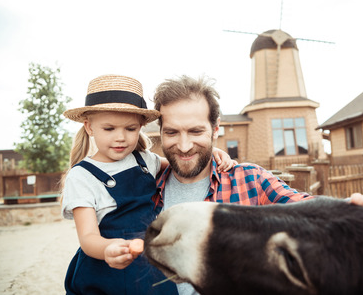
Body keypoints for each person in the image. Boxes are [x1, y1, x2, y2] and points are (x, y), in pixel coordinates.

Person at [152, 75, 363, 295]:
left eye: (196, 131)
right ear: (160, 132)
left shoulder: (250, 179)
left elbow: (310, 211)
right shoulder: (144, 187)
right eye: (172, 132)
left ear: (215, 129)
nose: (184, 145)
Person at [60, 74, 235, 295]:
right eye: (109, 128)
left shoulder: (145, 160)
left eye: (130, 129)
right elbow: (87, 238)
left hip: (150, 268)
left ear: (141, 127)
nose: (121, 137)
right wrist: (107, 249)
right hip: (109, 270)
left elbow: (179, 163)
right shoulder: (82, 176)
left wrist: (211, 152)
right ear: (89, 127)